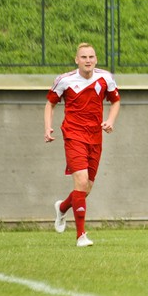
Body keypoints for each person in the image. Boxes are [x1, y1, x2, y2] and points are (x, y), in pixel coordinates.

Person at [45, 43, 120, 247]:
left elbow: (115, 101)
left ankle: (62, 208)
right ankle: (81, 236)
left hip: (95, 138)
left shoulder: (105, 78)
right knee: (80, 181)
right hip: (73, 135)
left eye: (91, 57)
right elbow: (50, 104)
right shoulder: (65, 80)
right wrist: (48, 128)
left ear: (96, 59)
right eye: (84, 57)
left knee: (86, 189)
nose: (88, 60)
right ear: (76, 60)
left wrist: (110, 121)